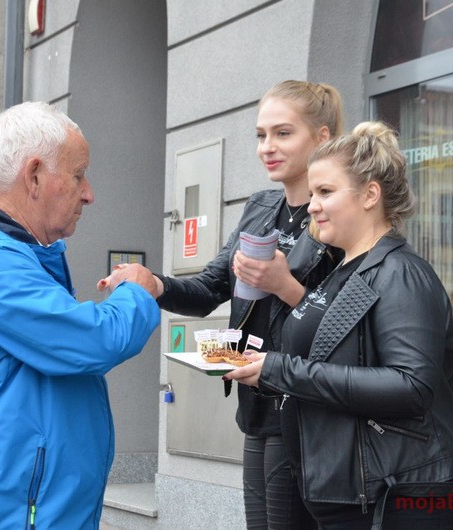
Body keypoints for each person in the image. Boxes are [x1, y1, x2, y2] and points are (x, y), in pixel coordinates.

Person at [105, 81, 344, 529]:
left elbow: (343, 324)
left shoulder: (333, 217)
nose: (267, 147)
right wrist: (154, 283)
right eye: (261, 135)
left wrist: (283, 285)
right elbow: (211, 287)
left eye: (283, 133)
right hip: (256, 403)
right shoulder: (261, 207)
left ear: (322, 136)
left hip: (304, 408)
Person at [0, 102, 161, 530]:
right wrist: (138, 291)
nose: (89, 193)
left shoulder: (6, 255)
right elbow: (94, 340)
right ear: (33, 176)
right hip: (0, 515)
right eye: (78, 175)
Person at [224, 122, 453, 529]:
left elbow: (411, 386)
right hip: (352, 496)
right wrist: (262, 370)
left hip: (396, 496)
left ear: (370, 195)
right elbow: (335, 363)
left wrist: (280, 370)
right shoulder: (344, 271)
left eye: (325, 192)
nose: (312, 206)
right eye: (313, 194)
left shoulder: (400, 273)